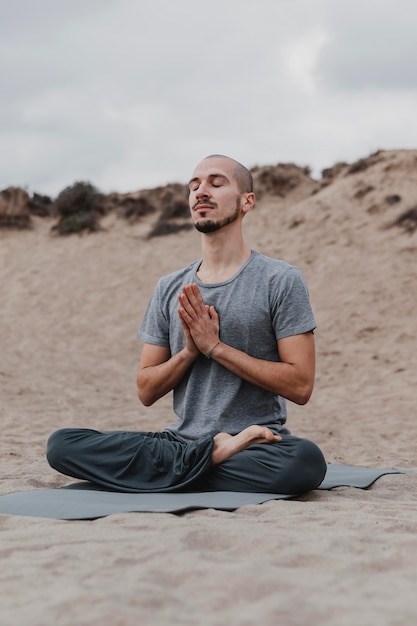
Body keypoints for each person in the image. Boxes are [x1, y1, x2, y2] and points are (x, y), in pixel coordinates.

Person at [47, 155, 326, 494]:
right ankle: (212, 455)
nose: (201, 191)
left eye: (216, 182)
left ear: (246, 201)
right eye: (194, 186)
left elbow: (300, 386)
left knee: (305, 462)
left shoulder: (280, 280)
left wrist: (216, 349)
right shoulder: (169, 286)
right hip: (179, 441)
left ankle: (200, 461)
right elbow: (146, 390)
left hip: (257, 445)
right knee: (62, 445)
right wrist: (189, 353)